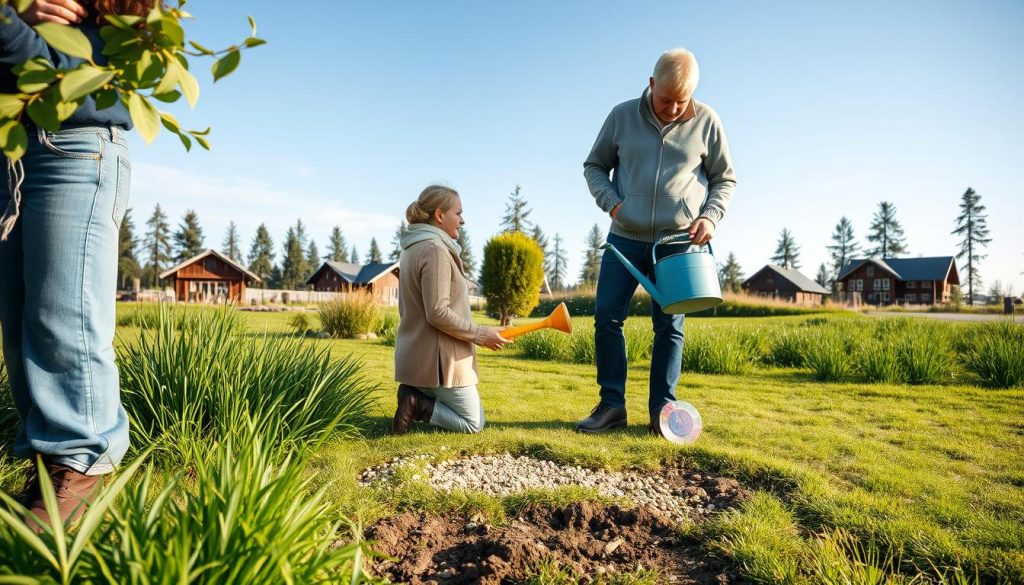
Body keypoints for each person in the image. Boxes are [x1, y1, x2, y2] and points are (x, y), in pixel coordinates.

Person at [0, 0, 151, 527]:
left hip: (76, 150)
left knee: (65, 318)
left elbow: (48, 68)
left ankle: (81, 464)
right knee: (21, 327)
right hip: (14, 153)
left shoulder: (120, 31)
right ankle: (47, 463)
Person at [578, 48, 737, 436]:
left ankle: (662, 411)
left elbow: (725, 179)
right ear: (650, 85)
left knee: (670, 326)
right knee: (607, 319)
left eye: (682, 102)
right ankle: (612, 405)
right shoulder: (621, 116)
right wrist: (612, 203)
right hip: (625, 239)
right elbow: (594, 166)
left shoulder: (708, 121)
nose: (672, 109)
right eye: (666, 99)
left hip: (677, 245)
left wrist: (709, 216)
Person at [392, 185, 508, 435]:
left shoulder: (412, 249)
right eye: (458, 213)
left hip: (415, 362)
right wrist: (480, 334)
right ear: (439, 215)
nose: (462, 220)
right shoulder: (435, 250)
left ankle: (414, 393)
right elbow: (437, 312)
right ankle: (417, 403)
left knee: (472, 415)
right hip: (439, 364)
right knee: (473, 423)